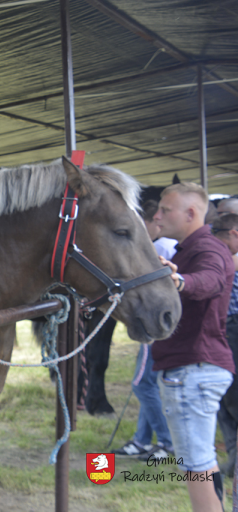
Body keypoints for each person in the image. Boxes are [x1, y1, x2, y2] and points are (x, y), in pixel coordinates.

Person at [153, 182, 235, 512]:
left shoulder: (208, 250)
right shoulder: (194, 249)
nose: (157, 215)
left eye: (165, 210)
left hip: (192, 372)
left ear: (190, 214)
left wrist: (181, 281)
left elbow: (211, 280)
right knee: (202, 463)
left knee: (196, 468)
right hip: (196, 369)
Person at [112, 200, 175, 460]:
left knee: (141, 385)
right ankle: (141, 439)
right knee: (148, 384)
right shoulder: (172, 245)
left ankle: (166, 441)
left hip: (153, 322)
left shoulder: (159, 246)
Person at [212, 213, 238, 477]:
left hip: (234, 325)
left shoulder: (228, 257)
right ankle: (233, 454)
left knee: (232, 394)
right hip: (224, 326)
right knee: (224, 394)